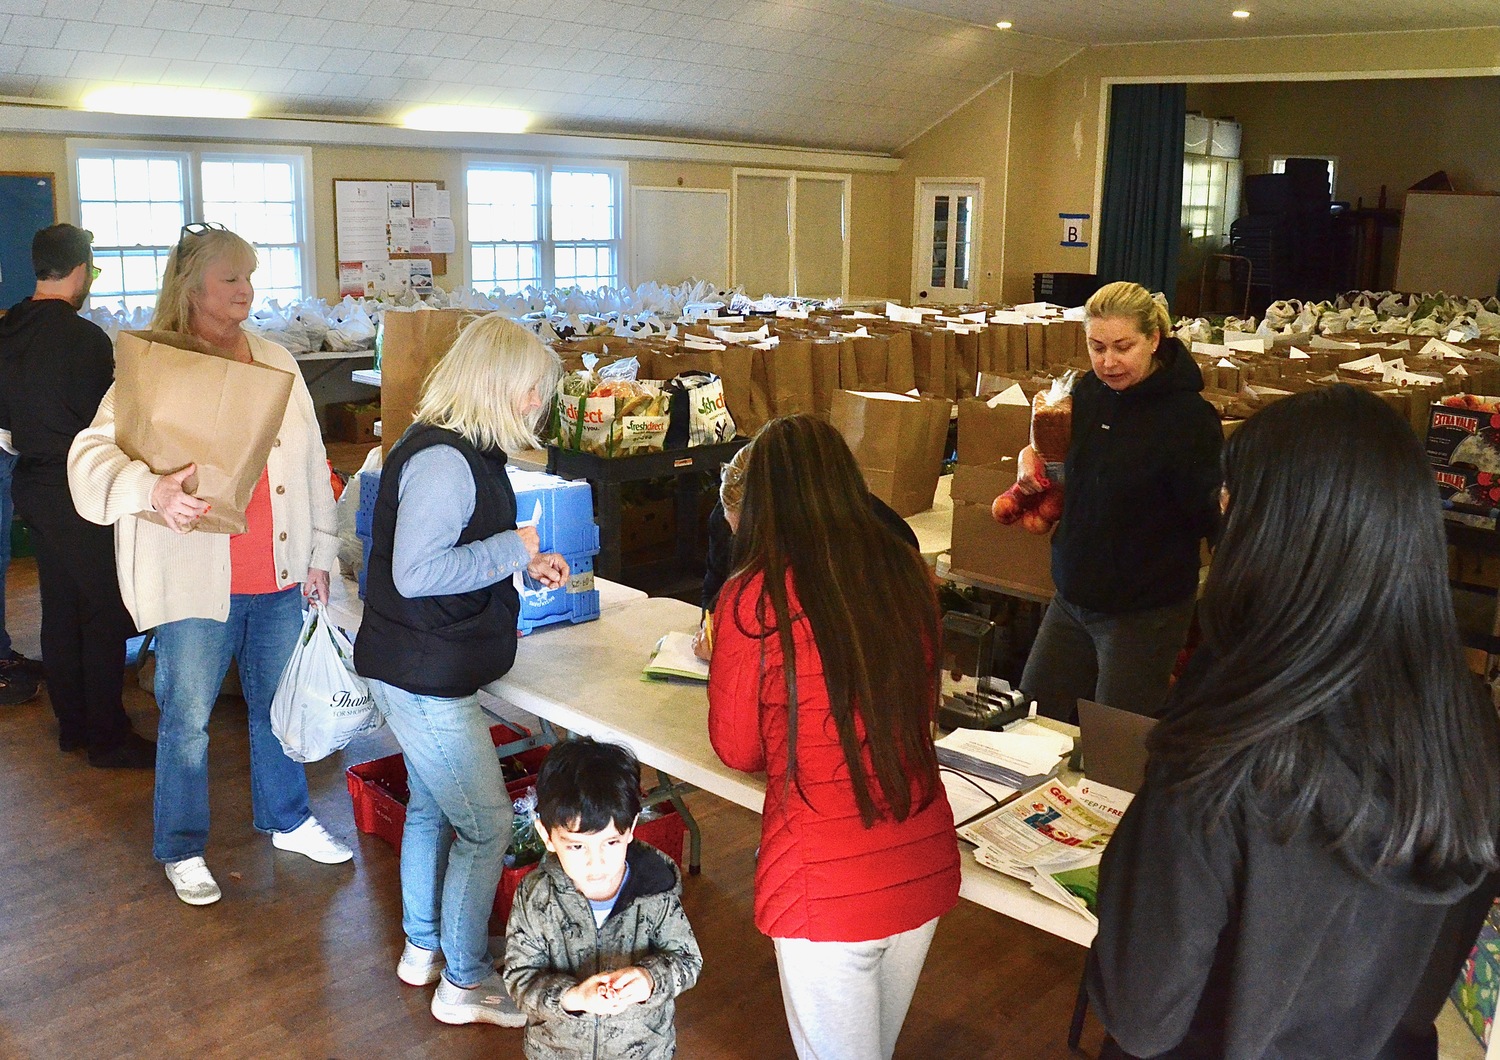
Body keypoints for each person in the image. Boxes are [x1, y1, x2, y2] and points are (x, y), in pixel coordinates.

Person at [1086, 385, 1500, 1060]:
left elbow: (1142, 1012)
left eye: (1233, 496)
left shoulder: (1224, 747)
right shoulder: (1467, 721)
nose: (1219, 512)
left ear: (1277, 531)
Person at [68, 222, 352, 905]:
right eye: (232, 278)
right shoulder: (156, 366)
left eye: (251, 277)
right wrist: (151, 490)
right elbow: (91, 456)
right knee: (187, 719)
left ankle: (286, 818)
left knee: (276, 708)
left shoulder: (277, 362)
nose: (246, 291)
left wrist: (320, 552)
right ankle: (181, 846)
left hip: (279, 576)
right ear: (193, 285)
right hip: (198, 580)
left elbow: (314, 462)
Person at [708, 414, 960, 1060]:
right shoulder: (907, 570)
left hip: (826, 879)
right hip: (920, 856)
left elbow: (737, 748)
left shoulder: (751, 598)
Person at [353, 312, 569, 1027]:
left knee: (430, 807)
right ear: (498, 386)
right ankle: (466, 983)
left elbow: (449, 562)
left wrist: (519, 566)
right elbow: (417, 573)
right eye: (533, 391)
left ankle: (423, 950)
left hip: (418, 662)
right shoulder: (447, 461)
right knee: (482, 827)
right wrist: (512, 547)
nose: (540, 406)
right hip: (426, 677)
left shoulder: (458, 451)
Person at [1016, 281, 1221, 721]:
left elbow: (1209, 515)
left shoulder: (1188, 420)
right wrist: (1028, 456)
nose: (1108, 362)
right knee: (1032, 721)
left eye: (1123, 347)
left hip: (1144, 611)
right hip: (1073, 597)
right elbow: (1055, 457)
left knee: (1113, 747)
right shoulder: (1087, 395)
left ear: (1153, 339)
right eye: (1097, 346)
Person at [0, 224, 150, 764]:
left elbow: (5, 426)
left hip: (31, 484)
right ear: (82, 268)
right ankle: (108, 737)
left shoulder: (7, 327)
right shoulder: (85, 340)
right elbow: (111, 427)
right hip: (78, 486)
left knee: (60, 605)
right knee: (104, 609)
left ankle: (74, 726)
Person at [504, 738, 702, 1059]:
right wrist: (574, 998)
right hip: (557, 1051)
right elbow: (520, 978)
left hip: (643, 1051)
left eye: (611, 843)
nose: (596, 864)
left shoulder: (656, 888)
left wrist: (648, 978)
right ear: (546, 835)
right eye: (577, 846)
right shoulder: (536, 895)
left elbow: (687, 961)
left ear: (631, 829)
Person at [695, 436, 919, 658]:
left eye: (752, 539)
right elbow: (715, 588)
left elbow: (865, 646)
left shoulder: (881, 547)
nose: (746, 547)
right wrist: (712, 627)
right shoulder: (727, 517)